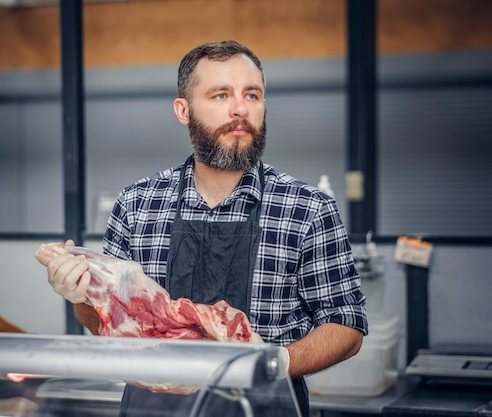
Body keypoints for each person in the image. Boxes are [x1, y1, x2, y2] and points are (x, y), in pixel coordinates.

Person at [45, 40, 368, 417]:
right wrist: (80, 296)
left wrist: (278, 363)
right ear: (184, 110)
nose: (240, 109)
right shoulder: (137, 205)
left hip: (262, 405)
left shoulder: (308, 209)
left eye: (252, 94)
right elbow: (107, 321)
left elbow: (346, 323)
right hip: (154, 409)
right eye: (220, 95)